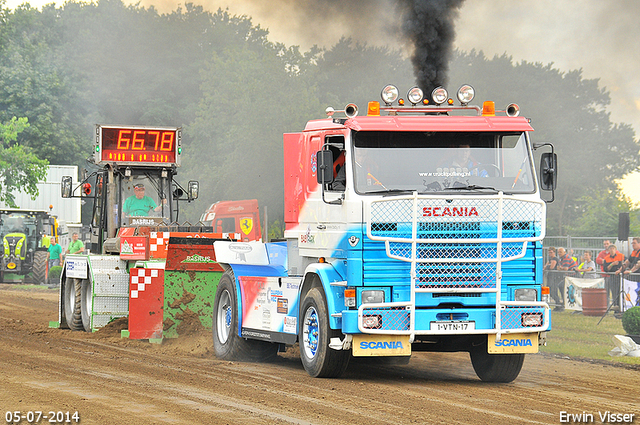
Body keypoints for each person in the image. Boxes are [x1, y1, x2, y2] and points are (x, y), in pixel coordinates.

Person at [602, 244, 624, 309]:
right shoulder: (606, 258)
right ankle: (616, 306)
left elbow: (625, 264)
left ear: (615, 249)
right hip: (612, 276)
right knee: (614, 292)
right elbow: (605, 269)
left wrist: (620, 269)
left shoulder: (621, 256)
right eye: (610, 249)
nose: (612, 250)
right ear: (608, 250)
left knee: (621, 291)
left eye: (613, 249)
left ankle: (622, 306)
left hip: (620, 276)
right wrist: (612, 264)